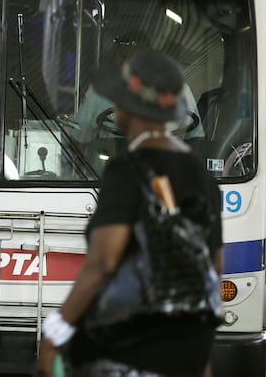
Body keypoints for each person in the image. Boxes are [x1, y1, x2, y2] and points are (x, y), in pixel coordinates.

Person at [36, 50, 223, 377]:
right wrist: (201, 355)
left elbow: (103, 263)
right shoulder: (202, 174)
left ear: (126, 109)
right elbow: (213, 265)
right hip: (187, 347)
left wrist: (56, 331)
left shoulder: (128, 170)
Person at [69, 32, 204, 144]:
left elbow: (195, 138)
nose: (119, 62)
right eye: (118, 57)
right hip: (111, 164)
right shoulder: (99, 91)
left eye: (126, 58)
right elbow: (79, 136)